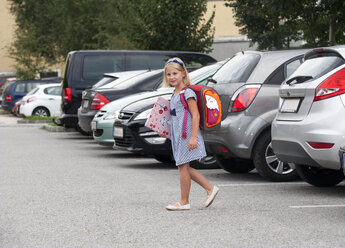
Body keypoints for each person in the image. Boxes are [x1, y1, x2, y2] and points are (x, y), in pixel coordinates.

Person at [161, 57, 219, 211]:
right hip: (178, 136)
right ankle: (209, 189)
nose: (172, 77)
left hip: (187, 135)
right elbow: (174, 117)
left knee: (183, 166)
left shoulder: (187, 92)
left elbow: (196, 115)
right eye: (169, 74)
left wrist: (193, 137)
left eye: (175, 73)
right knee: (183, 167)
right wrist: (165, 130)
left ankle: (184, 201)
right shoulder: (174, 93)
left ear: (183, 74)